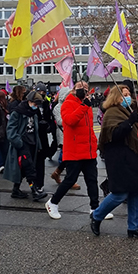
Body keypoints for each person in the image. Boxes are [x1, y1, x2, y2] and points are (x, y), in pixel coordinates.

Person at [90, 85, 138, 239]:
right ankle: (97, 216)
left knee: (135, 191)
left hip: (133, 156)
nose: (128, 96)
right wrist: (130, 122)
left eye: (129, 94)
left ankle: (134, 226)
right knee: (119, 193)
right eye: (124, 94)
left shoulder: (128, 111)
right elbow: (114, 134)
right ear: (116, 97)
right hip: (119, 158)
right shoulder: (111, 112)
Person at [45, 81, 101, 220]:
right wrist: (83, 107)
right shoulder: (68, 104)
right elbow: (70, 121)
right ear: (73, 90)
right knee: (70, 180)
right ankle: (53, 203)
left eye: (86, 88)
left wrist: (94, 142)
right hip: (75, 150)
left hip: (88, 150)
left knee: (92, 180)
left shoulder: (86, 105)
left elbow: (88, 128)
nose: (84, 90)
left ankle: (95, 209)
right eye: (80, 88)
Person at [3, 90, 48, 202]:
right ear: (29, 101)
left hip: (32, 143)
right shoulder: (17, 113)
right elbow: (10, 130)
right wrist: (19, 143)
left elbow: (35, 130)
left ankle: (16, 189)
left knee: (24, 168)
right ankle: (34, 191)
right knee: (29, 168)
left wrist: (38, 145)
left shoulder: (33, 113)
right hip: (23, 144)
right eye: (34, 104)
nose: (36, 106)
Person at [50, 86, 73, 186]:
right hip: (63, 134)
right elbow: (60, 121)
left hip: (70, 134)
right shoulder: (58, 107)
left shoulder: (70, 105)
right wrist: (71, 119)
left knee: (69, 158)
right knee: (65, 157)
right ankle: (65, 176)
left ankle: (58, 173)